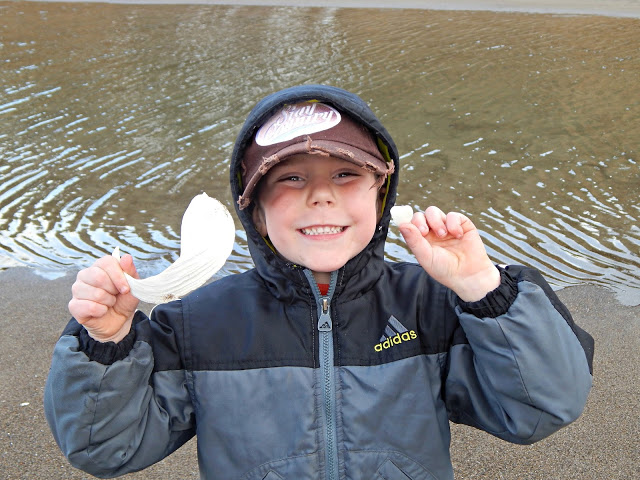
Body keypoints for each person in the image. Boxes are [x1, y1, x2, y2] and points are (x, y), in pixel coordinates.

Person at [44, 85, 594, 480]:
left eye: (346, 174)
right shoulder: (198, 322)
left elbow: (541, 409)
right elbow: (105, 450)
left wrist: (481, 285)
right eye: (291, 178)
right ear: (255, 210)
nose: (321, 195)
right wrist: (107, 341)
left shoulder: (431, 304)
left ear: (382, 195)